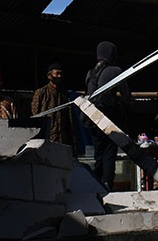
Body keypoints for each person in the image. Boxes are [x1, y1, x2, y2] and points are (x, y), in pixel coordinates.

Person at [85, 41, 130, 191]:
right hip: (108, 119)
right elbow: (126, 95)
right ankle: (107, 186)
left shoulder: (90, 73)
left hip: (92, 118)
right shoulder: (115, 71)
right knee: (109, 153)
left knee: (98, 155)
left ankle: (96, 187)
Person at [31, 63, 76, 147]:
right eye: (57, 73)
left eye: (61, 74)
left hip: (62, 136)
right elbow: (35, 113)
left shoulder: (64, 94)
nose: (59, 76)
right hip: (47, 135)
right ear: (49, 76)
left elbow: (68, 116)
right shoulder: (41, 93)